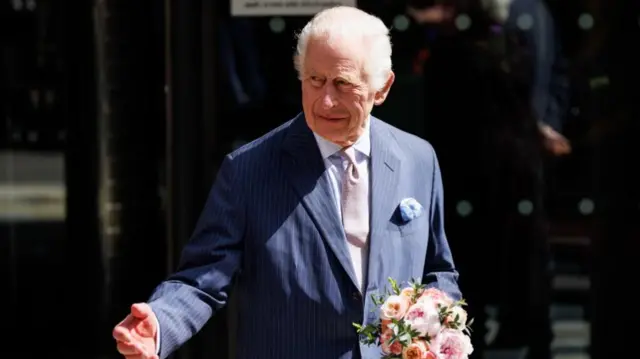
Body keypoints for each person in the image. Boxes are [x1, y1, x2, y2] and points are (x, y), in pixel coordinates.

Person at [112, 6, 462, 359]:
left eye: (342, 83)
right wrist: (159, 322)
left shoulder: (418, 159)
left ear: (381, 88)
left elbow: (437, 269)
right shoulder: (249, 169)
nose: (326, 100)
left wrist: (437, 321)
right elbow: (204, 277)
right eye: (314, 80)